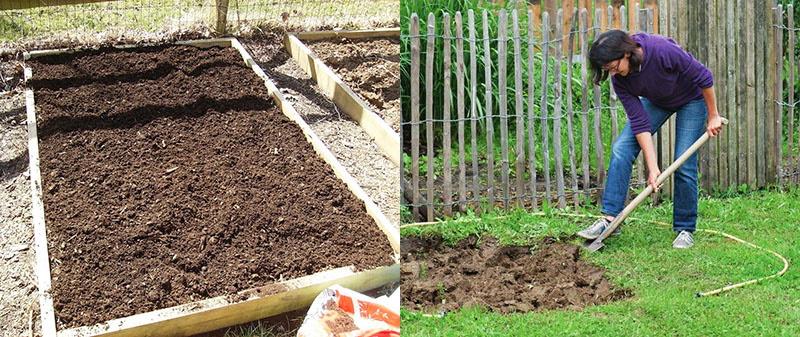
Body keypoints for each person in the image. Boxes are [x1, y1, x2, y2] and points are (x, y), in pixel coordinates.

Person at [576, 30, 723, 249]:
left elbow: (704, 76)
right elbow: (639, 122)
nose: (612, 73)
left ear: (626, 53)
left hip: (691, 99)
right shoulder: (620, 79)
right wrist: (652, 167)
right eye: (607, 69)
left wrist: (713, 115)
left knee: (683, 161)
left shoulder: (661, 50)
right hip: (658, 101)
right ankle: (609, 219)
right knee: (621, 149)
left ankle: (685, 228)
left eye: (612, 66)